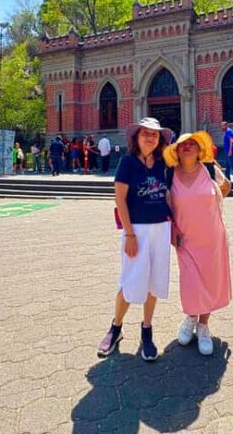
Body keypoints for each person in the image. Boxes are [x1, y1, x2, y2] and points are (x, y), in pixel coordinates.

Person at [98, 118, 173, 361]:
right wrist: (129, 234)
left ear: (160, 139)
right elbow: (120, 200)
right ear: (136, 137)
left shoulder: (163, 163)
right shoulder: (127, 162)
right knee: (130, 280)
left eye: (155, 134)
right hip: (137, 231)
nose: (150, 138)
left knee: (154, 281)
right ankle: (116, 327)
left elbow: (169, 195)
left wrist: (177, 226)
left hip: (161, 228)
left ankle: (147, 330)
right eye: (145, 133)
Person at [163, 131, 232, 355]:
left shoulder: (210, 169)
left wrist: (215, 201)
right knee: (191, 282)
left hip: (212, 237)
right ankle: (191, 317)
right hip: (186, 239)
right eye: (183, 144)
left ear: (199, 149)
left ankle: (203, 325)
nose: (187, 147)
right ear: (176, 150)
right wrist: (172, 231)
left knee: (210, 281)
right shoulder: (169, 174)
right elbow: (167, 206)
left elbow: (226, 186)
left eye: (192, 144)